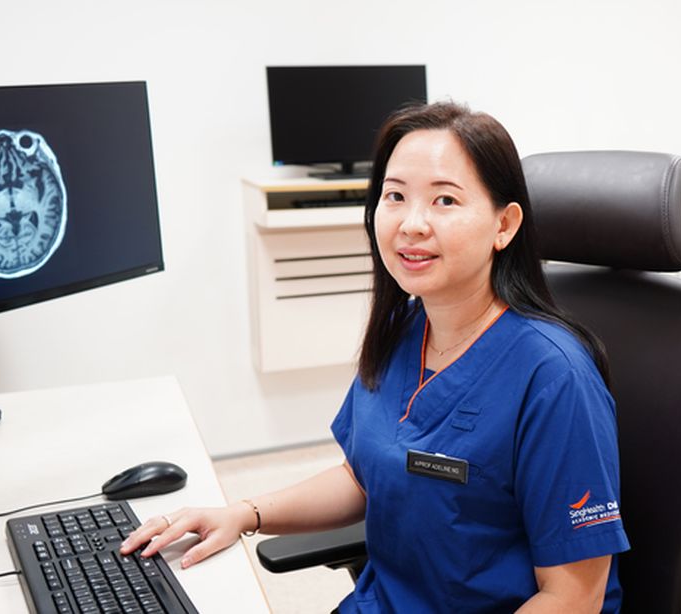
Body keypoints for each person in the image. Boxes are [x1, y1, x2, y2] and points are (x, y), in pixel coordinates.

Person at [121, 101, 629, 613]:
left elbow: (574, 597)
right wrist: (244, 513)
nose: (411, 224)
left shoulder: (554, 377)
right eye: (395, 196)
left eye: (445, 200)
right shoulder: (404, 326)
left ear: (505, 224)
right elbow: (364, 477)